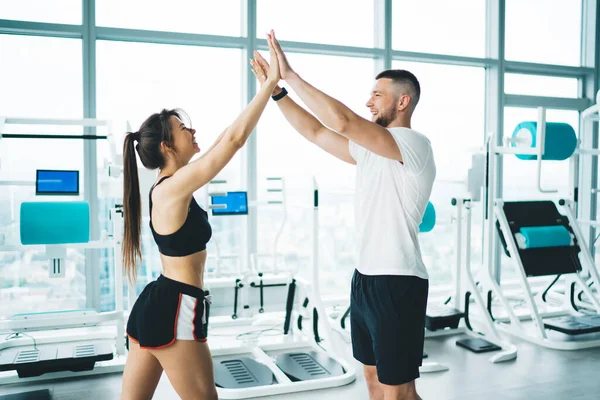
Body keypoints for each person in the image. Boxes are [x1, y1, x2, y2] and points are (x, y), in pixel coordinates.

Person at [250, 30, 436, 400]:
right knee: (372, 381)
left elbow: (343, 121)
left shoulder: (414, 145)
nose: (368, 102)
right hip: (365, 279)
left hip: (398, 282)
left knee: (397, 390)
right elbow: (317, 131)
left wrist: (290, 74)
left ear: (403, 101)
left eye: (377, 95)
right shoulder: (372, 150)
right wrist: (278, 94)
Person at [119, 39, 280, 400]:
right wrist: (270, 87)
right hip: (176, 306)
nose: (192, 131)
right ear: (166, 146)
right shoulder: (171, 189)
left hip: (158, 301)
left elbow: (226, 137)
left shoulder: (172, 186)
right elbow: (235, 142)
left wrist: (262, 91)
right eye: (182, 128)